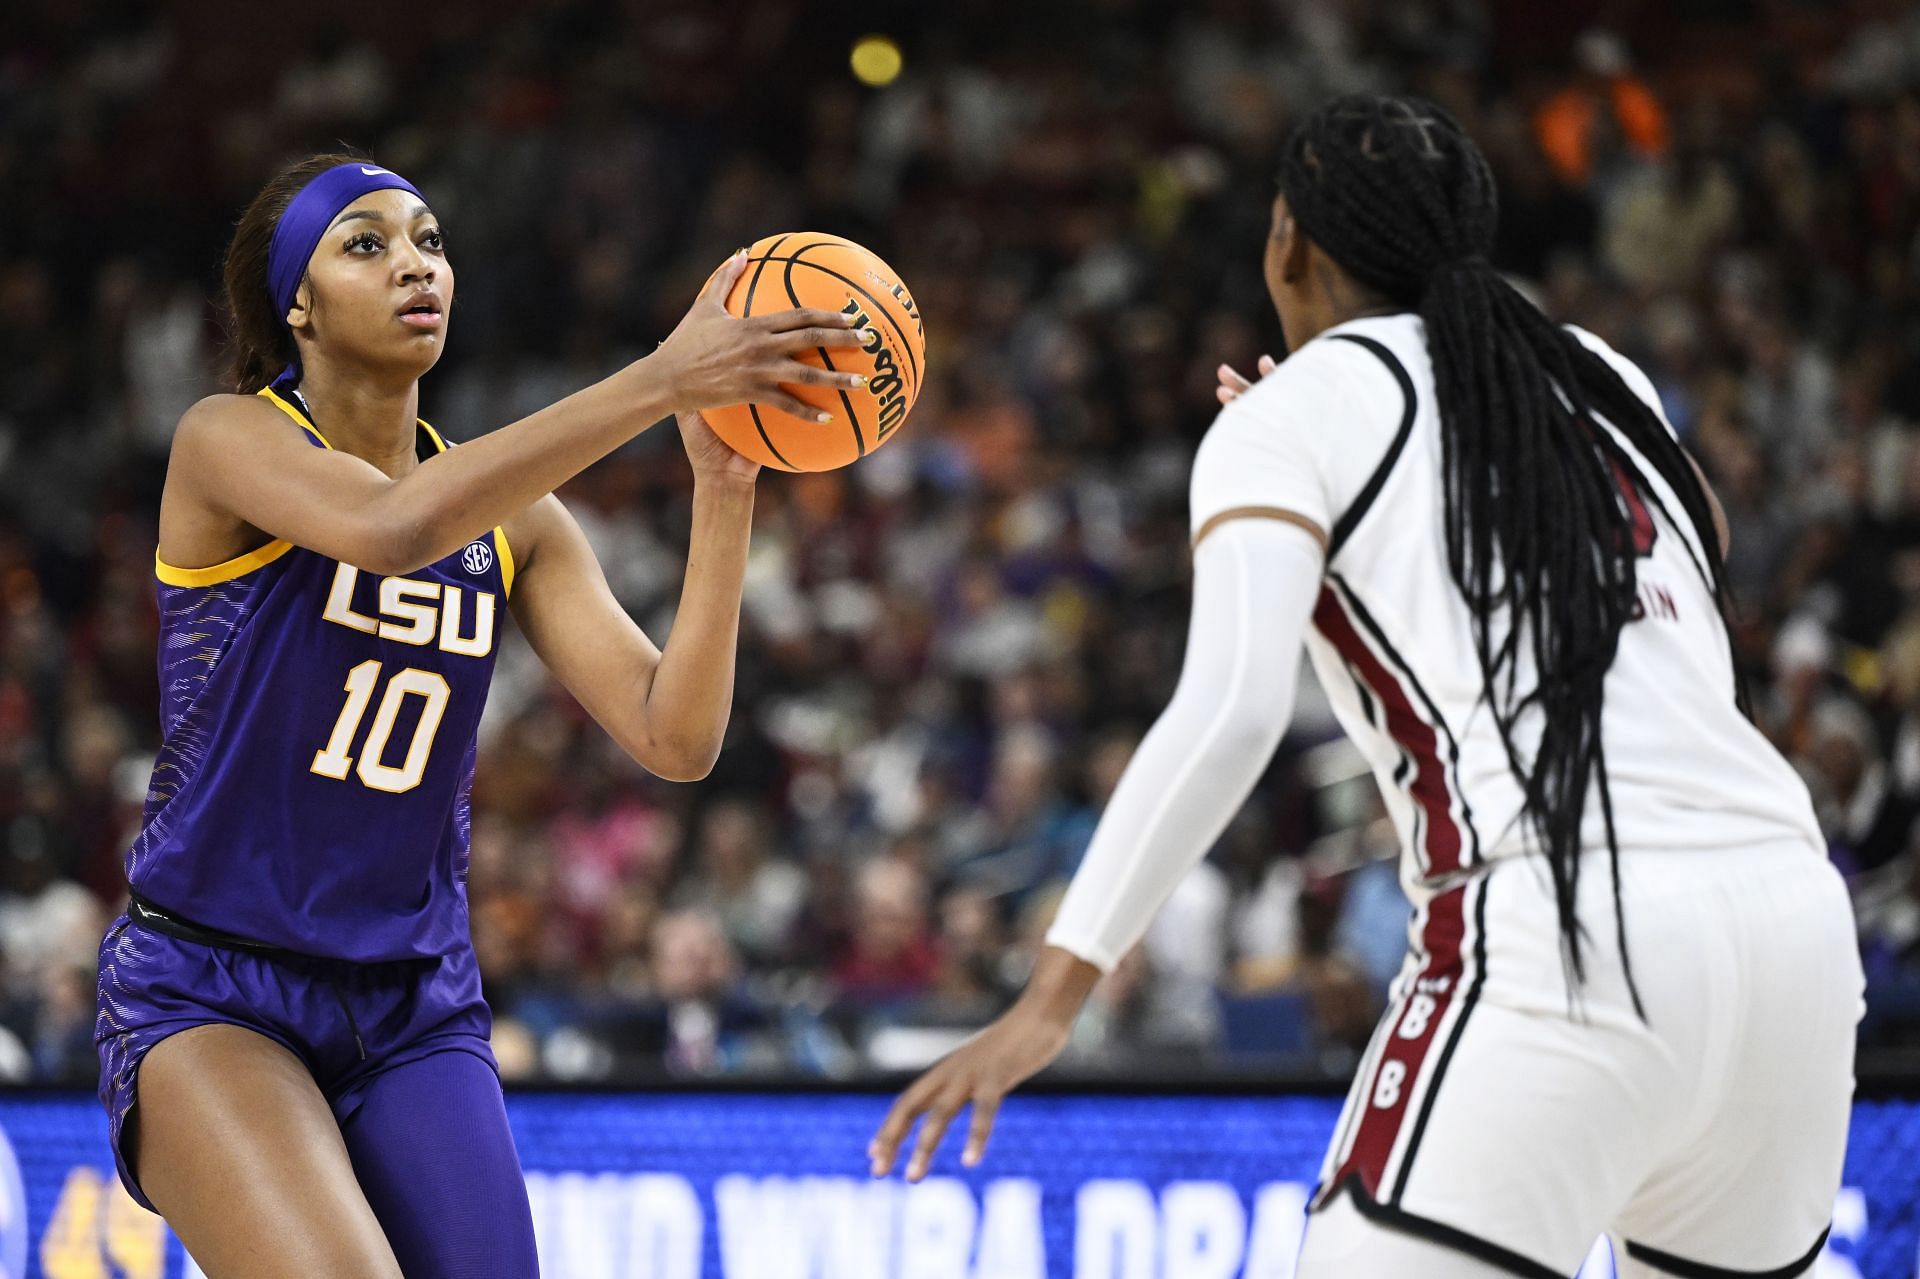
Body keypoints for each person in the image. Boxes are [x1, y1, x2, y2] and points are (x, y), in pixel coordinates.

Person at [871, 96, 1862, 1279]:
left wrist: (1052, 994)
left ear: (1289, 243)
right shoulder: (1597, 374)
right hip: (1792, 931)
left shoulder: (1293, 417)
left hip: (1561, 926)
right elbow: (1698, 538)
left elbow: (1231, 714)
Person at [94, 153, 871, 1278]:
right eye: (366, 243)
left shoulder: (523, 523)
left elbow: (675, 733)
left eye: (430, 240)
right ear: (294, 303)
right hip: (210, 982)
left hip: (413, 1000)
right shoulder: (229, 440)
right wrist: (660, 378)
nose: (414, 262)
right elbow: (396, 527)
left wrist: (724, 486)